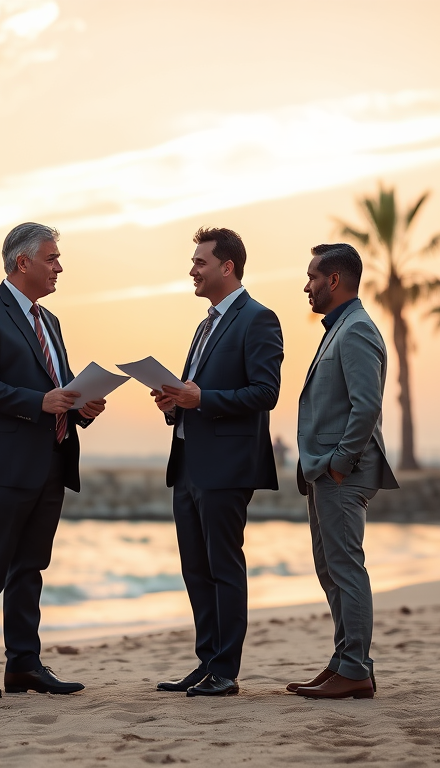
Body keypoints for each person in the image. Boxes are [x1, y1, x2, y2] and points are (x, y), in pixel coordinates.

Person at [0, 222, 107, 698]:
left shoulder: (51, 322)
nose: (59, 266)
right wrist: (39, 401)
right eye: (52, 258)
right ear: (23, 263)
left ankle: (24, 665)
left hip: (52, 461)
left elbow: (59, 386)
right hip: (4, 463)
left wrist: (82, 406)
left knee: (30, 568)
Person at [151, 227, 283, 697]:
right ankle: (207, 662)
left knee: (224, 566)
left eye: (200, 262)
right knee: (194, 568)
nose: (192, 270)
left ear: (227, 267)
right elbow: (196, 395)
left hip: (226, 465)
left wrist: (200, 396)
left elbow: (265, 392)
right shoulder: (205, 323)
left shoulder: (259, 319)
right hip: (187, 461)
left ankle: (226, 670)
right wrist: (175, 402)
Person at [289, 243, 399, 700]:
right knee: (330, 567)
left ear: (334, 280)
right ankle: (344, 661)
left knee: (346, 568)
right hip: (326, 471)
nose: (306, 285)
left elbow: (367, 406)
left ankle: (355, 668)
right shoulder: (341, 327)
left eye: (313, 276)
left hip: (341, 473)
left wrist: (338, 463)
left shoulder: (354, 330)